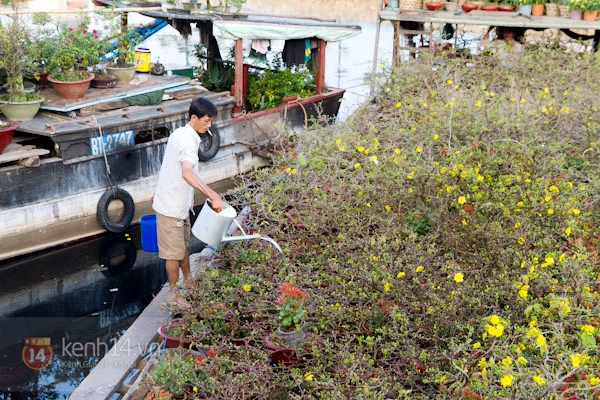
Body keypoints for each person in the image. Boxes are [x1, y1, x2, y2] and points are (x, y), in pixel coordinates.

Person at [152, 96, 225, 310]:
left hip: (178, 204)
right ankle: (173, 295)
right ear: (194, 117)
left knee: (182, 245)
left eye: (211, 121)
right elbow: (186, 172)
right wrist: (213, 195)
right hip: (171, 208)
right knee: (172, 254)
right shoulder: (187, 142)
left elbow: (168, 166)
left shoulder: (181, 133)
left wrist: (156, 191)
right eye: (206, 121)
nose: (209, 125)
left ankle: (189, 280)